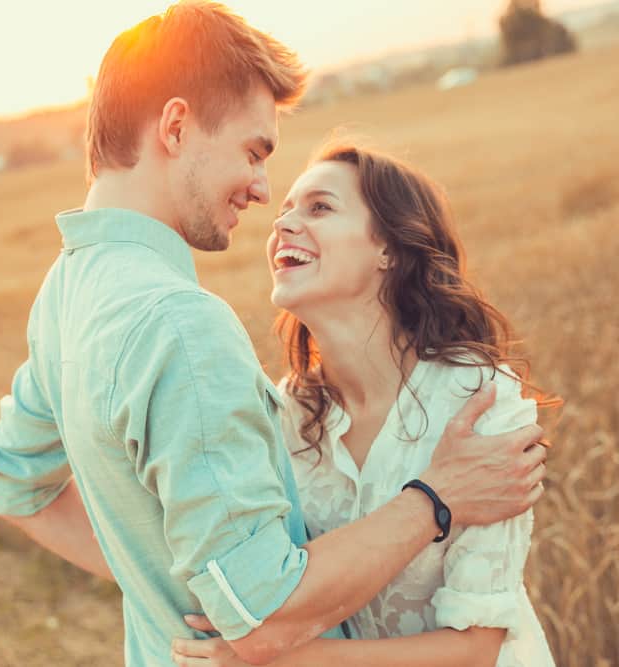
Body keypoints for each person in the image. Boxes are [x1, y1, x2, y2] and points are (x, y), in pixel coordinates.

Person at [0, 3, 547, 665]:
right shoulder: (182, 326)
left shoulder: (63, 295)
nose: (260, 190)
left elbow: (14, 484)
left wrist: (181, 575)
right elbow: (262, 618)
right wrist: (435, 500)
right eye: (254, 151)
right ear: (175, 126)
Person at [170, 145, 558, 666]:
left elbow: (474, 650)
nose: (283, 222)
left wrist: (276, 660)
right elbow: (266, 584)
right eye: (285, 209)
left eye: (319, 208)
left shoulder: (477, 399)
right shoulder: (282, 416)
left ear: (389, 251)